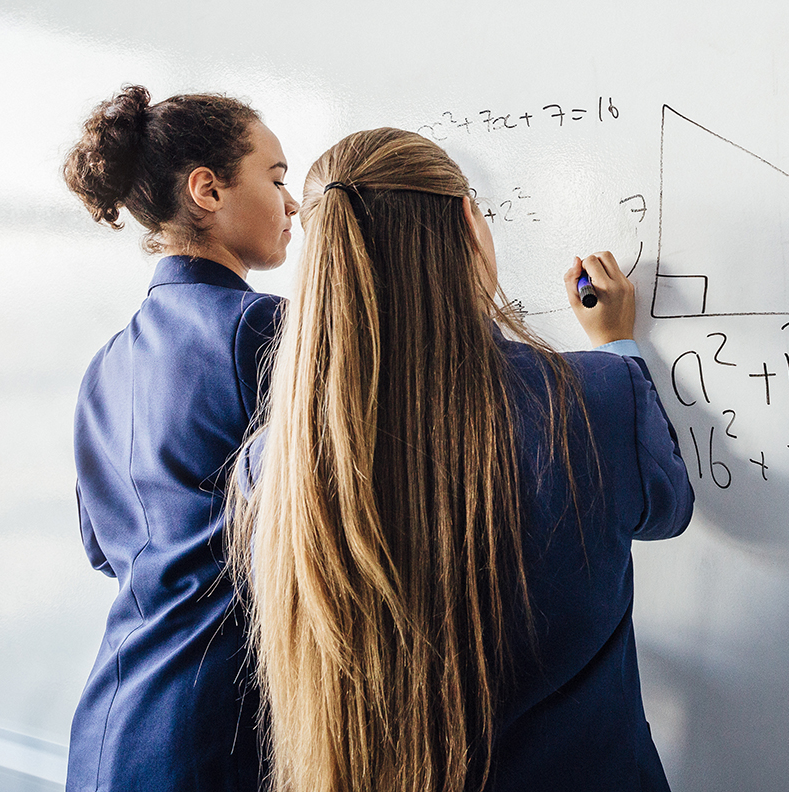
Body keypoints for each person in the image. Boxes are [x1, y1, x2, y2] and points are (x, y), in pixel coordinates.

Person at [230, 127, 693, 792]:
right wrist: (616, 346)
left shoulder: (272, 467)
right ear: (469, 225)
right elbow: (665, 507)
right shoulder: (596, 399)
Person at [62, 84, 300, 791]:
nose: (293, 204)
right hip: (218, 726)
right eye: (278, 178)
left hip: (113, 721)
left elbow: (104, 550)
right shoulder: (267, 330)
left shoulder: (107, 362)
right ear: (207, 190)